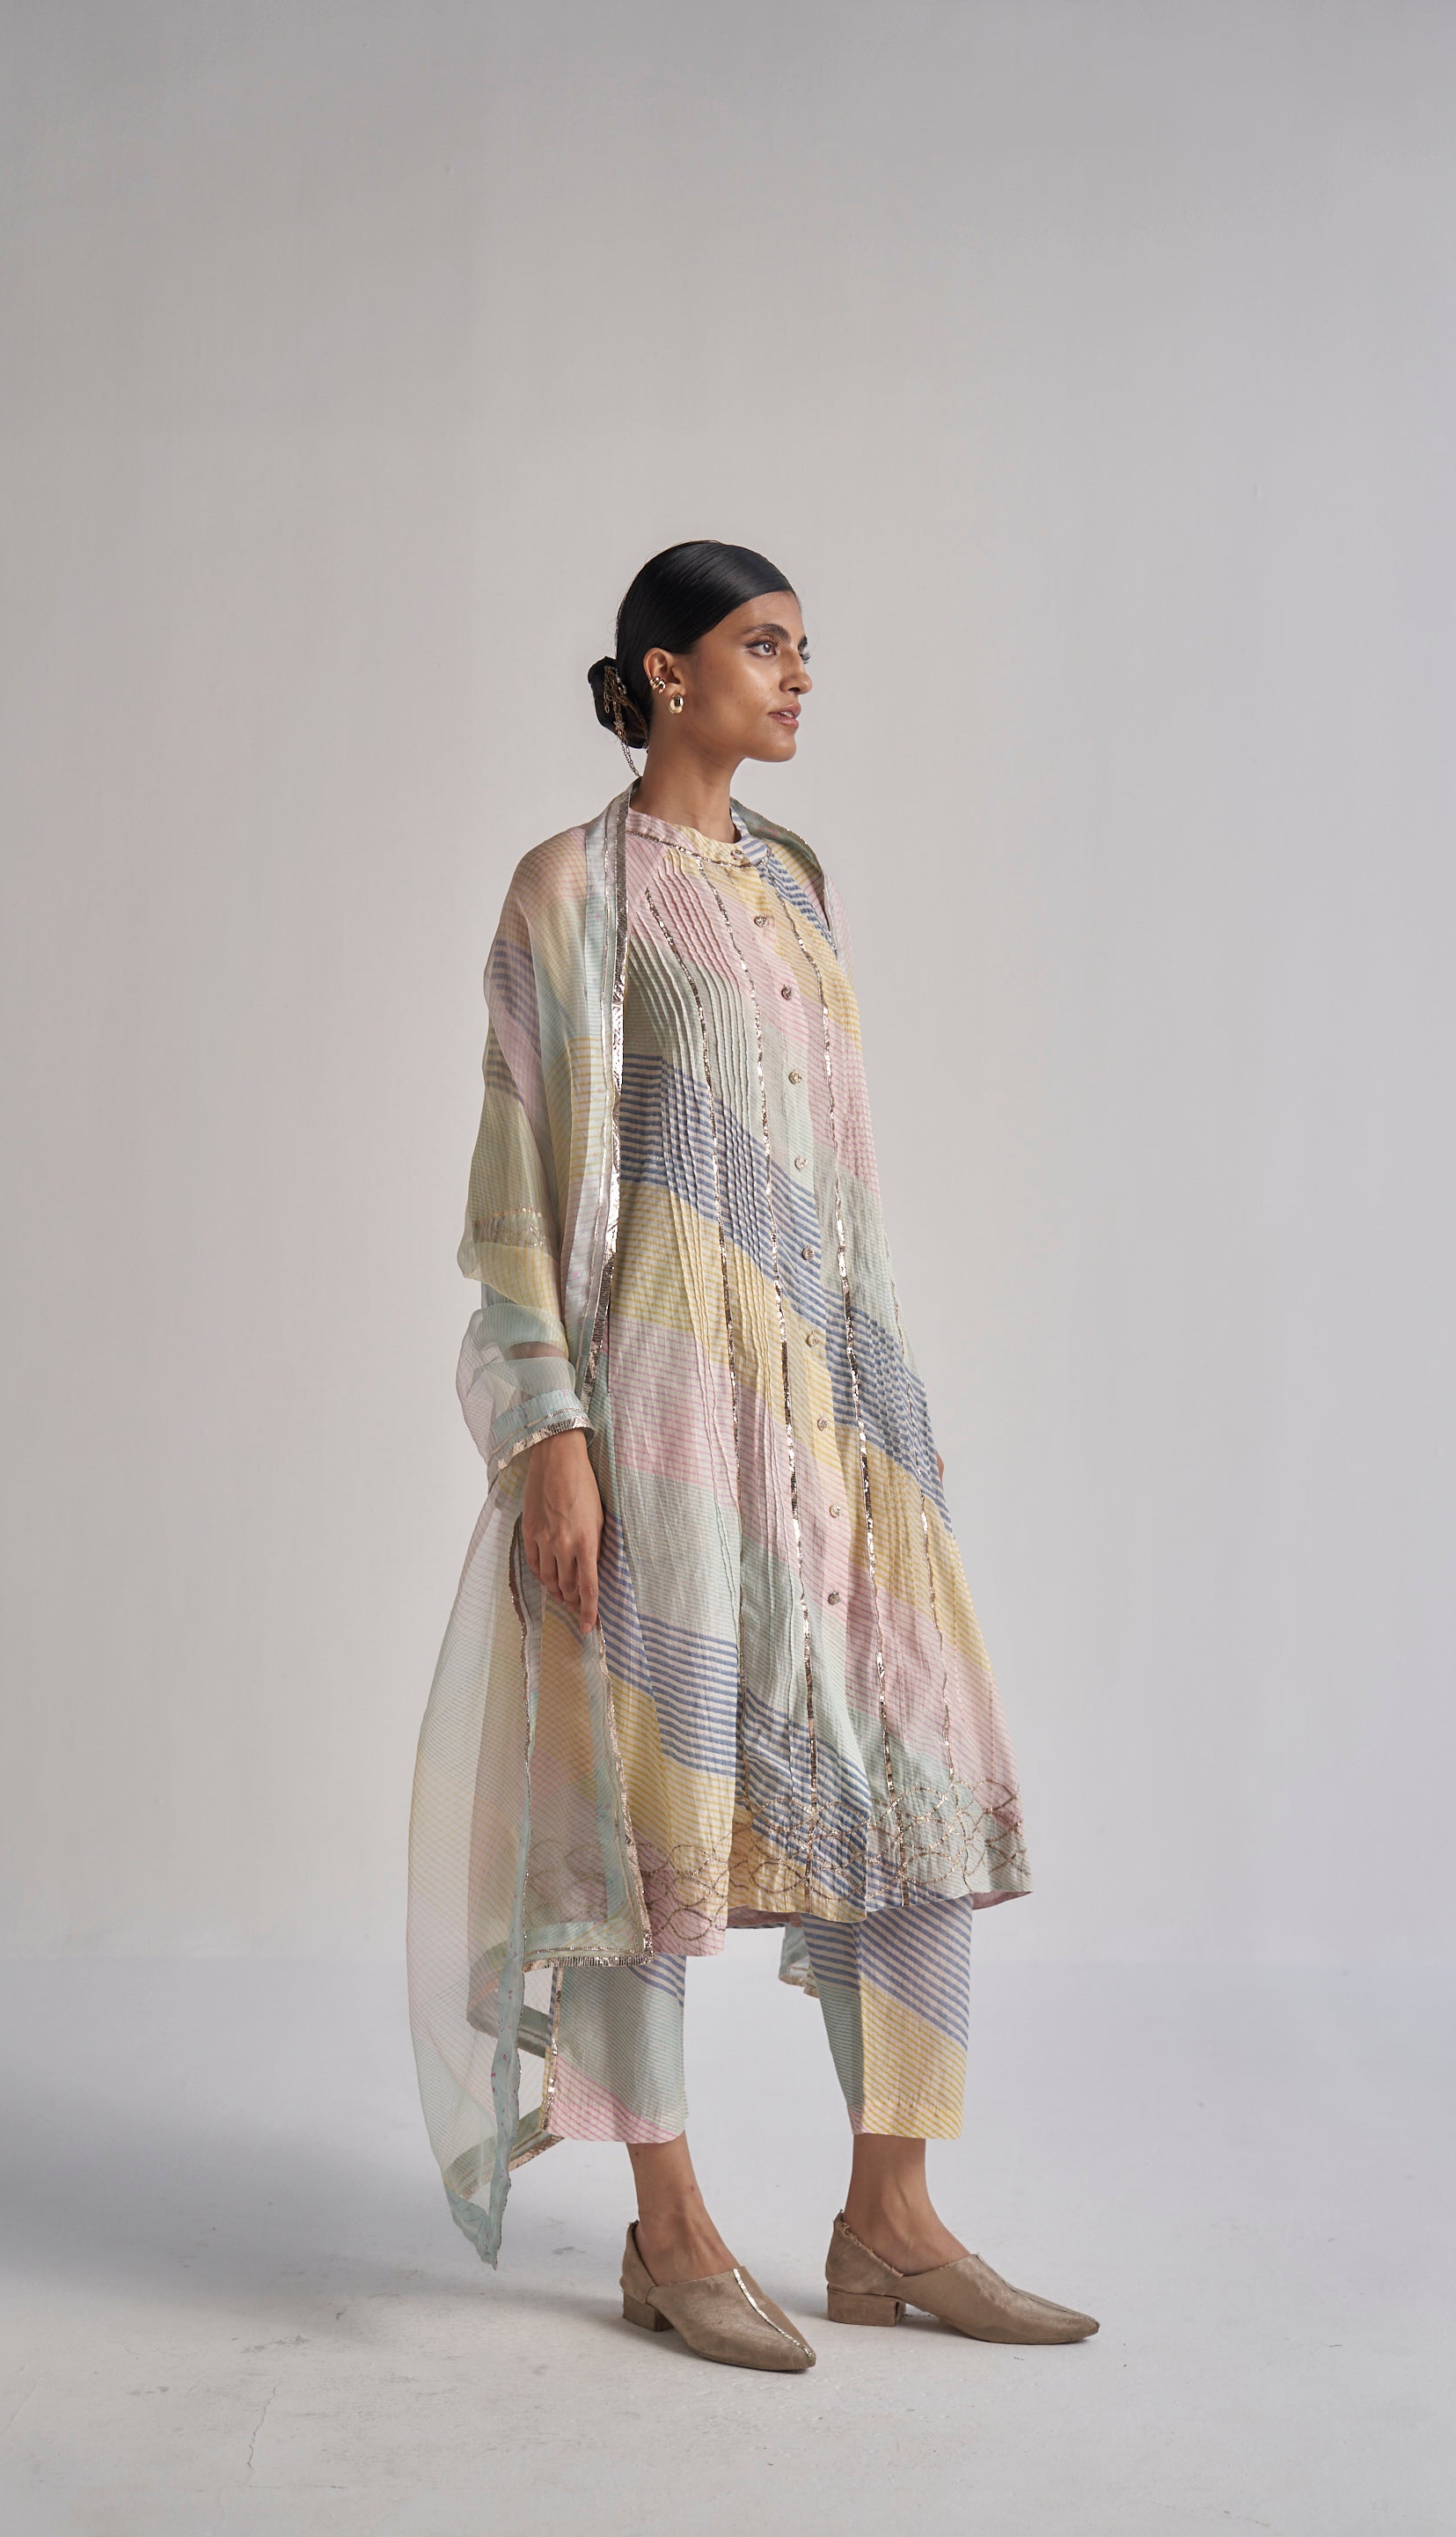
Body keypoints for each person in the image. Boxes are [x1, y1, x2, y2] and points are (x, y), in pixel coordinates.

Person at [406, 539, 1098, 2371]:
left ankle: (892, 2221)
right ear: (662, 672)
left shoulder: (796, 882)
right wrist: (550, 1433)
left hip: (842, 1401)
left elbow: (838, 1173)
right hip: (666, 1406)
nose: (796, 676)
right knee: (650, 1812)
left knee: (916, 1775)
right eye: (762, 645)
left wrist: (886, 1402)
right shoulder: (573, 887)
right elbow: (513, 1190)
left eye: (803, 649)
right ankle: (670, 2228)